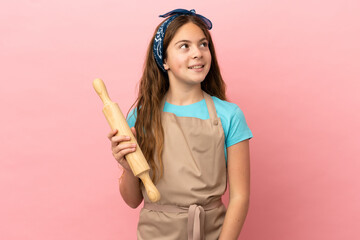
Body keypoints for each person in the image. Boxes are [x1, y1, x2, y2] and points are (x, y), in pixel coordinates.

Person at [107, 9, 253, 240]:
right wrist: (127, 167)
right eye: (185, 46)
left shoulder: (229, 115)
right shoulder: (140, 117)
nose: (198, 53)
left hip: (212, 233)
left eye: (203, 44)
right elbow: (133, 200)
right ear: (163, 59)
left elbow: (239, 197)